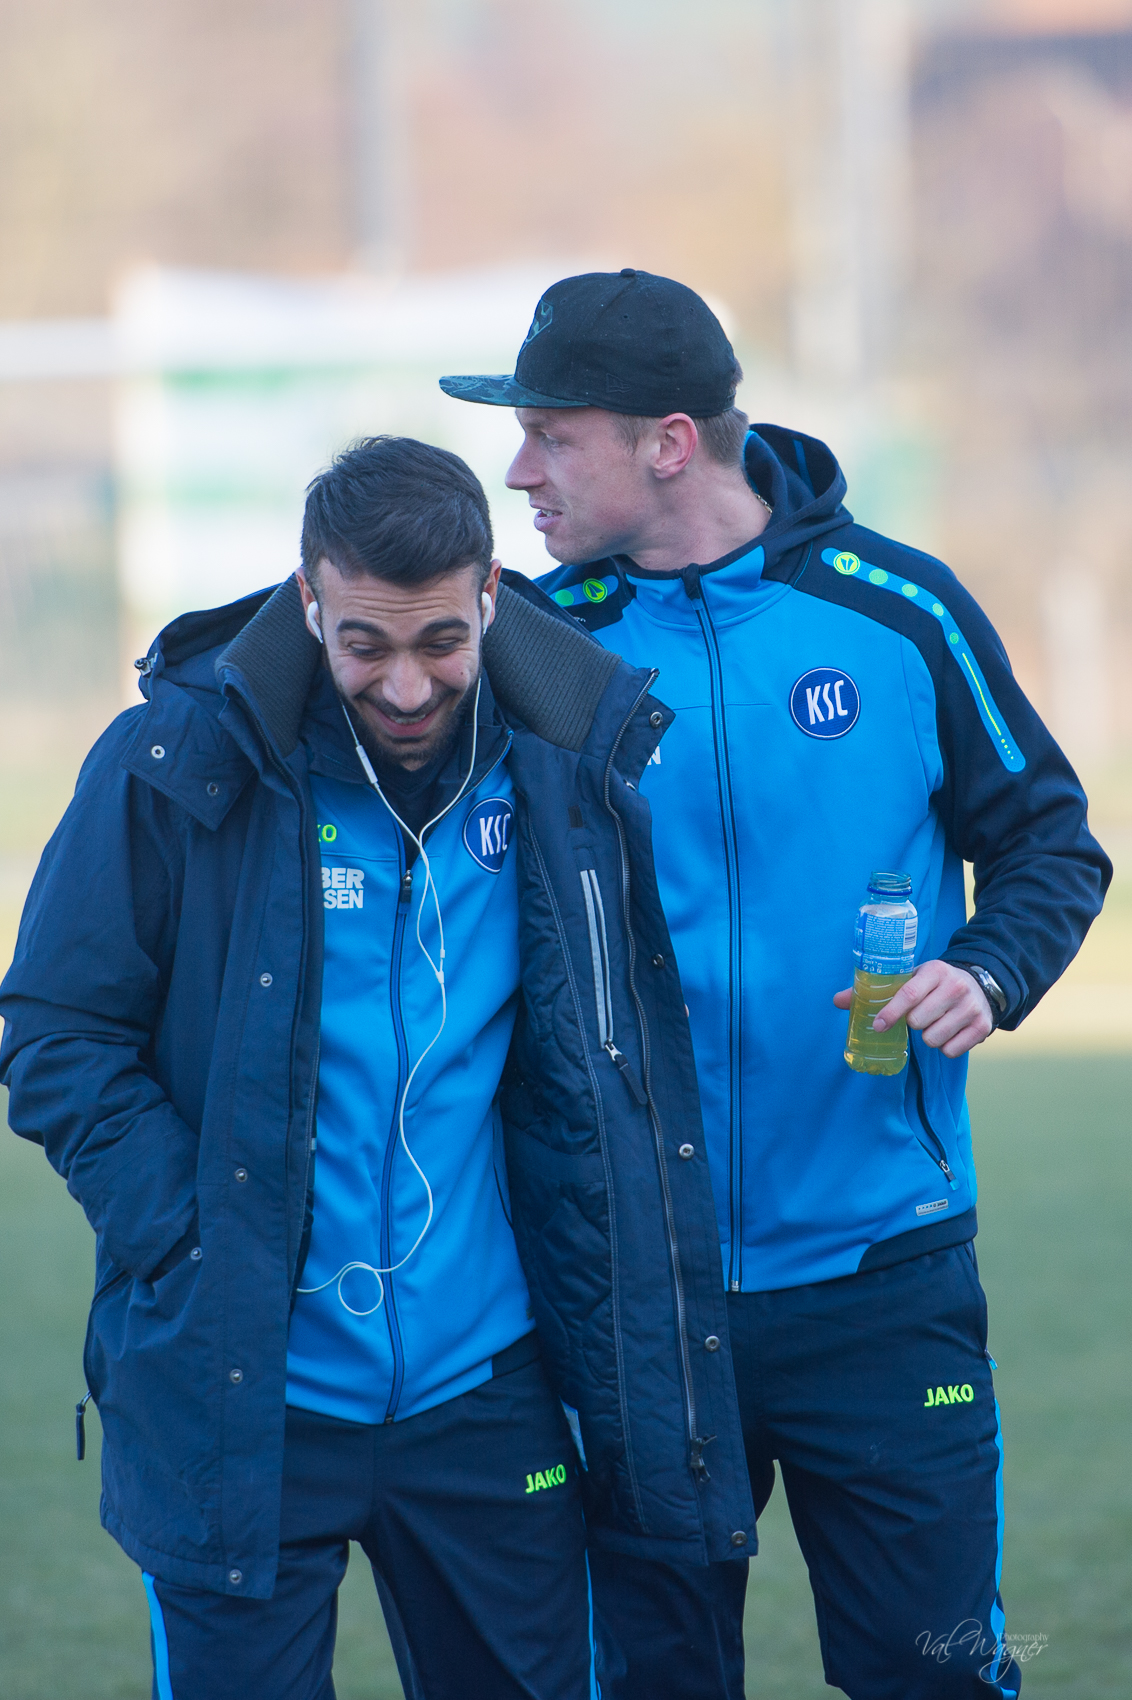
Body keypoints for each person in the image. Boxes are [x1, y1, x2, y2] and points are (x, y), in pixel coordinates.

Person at [440, 270, 1112, 1700]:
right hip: (634, 1292)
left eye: (553, 434)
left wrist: (990, 968)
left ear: (669, 443)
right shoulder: (539, 647)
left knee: (935, 1675)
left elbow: (1051, 840)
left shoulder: (901, 612)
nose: (520, 471)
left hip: (884, 1271)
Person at [0, 435, 755, 1700]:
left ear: (490, 598)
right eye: (365, 644)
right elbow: (55, 1028)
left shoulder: (567, 753)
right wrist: (190, 1233)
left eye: (440, 641)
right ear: (310, 601)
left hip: (485, 1389)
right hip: (243, 1385)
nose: (406, 684)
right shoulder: (171, 756)